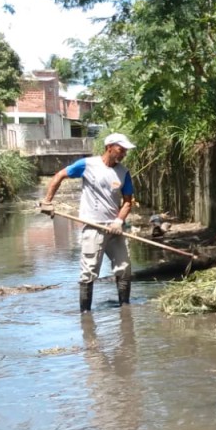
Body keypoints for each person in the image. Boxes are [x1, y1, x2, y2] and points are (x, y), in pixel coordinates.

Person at [39, 133, 137, 312]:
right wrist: (47, 201)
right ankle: (85, 315)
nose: (124, 154)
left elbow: (128, 202)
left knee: (124, 267)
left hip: (114, 228)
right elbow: (60, 176)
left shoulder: (123, 173)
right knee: (88, 272)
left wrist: (118, 221)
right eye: (121, 150)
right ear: (109, 147)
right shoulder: (87, 165)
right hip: (93, 227)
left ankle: (125, 308)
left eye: (125, 151)